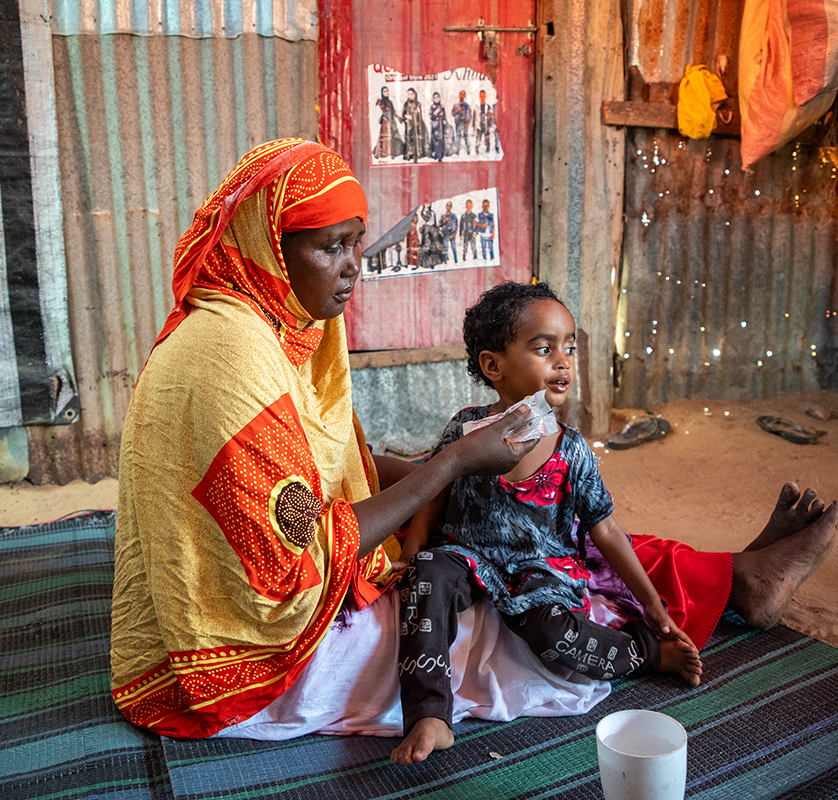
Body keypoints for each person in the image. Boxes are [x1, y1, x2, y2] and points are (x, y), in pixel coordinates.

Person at [110, 139, 539, 738]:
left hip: (257, 576)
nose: (352, 265)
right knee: (500, 623)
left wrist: (442, 462)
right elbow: (297, 558)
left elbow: (335, 463)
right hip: (247, 647)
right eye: (331, 247)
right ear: (271, 247)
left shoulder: (282, 323)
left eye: (356, 242)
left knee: (513, 542)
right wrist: (452, 464)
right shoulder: (231, 356)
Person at [390, 281, 838, 764]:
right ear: (492, 366)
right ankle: (430, 713)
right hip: (470, 555)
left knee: (553, 632)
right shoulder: (465, 429)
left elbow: (605, 531)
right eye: (544, 349)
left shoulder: (572, 450)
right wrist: (414, 555)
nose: (563, 361)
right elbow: (432, 493)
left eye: (568, 347)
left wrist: (653, 605)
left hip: (541, 572)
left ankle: (647, 654)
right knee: (429, 576)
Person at [373, 86, 402, 160]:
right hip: (385, 121)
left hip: (392, 120)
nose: (386, 92)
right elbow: (379, 105)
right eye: (385, 91)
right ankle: (381, 153)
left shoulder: (390, 102)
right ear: (382, 93)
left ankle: (393, 153)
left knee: (394, 136)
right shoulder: (382, 101)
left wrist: (399, 118)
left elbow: (394, 112)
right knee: (385, 138)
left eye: (387, 91)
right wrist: (379, 101)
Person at [402, 88, 427, 163]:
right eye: (409, 94)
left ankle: (417, 154)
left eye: (411, 94)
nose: (410, 96)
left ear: (414, 94)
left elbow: (420, 115)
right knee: (409, 139)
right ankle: (409, 155)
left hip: (416, 124)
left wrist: (419, 125)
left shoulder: (418, 104)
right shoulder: (406, 104)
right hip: (409, 125)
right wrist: (407, 116)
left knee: (416, 139)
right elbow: (403, 115)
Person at [452, 90, 472, 156]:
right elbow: (452, 113)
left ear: (465, 96)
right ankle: (457, 153)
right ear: (459, 95)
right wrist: (457, 111)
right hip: (458, 123)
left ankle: (468, 153)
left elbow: (470, 115)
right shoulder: (455, 105)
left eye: (463, 94)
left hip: (465, 123)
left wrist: (468, 123)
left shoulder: (467, 105)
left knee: (466, 138)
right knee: (458, 138)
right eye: (461, 94)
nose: (462, 95)